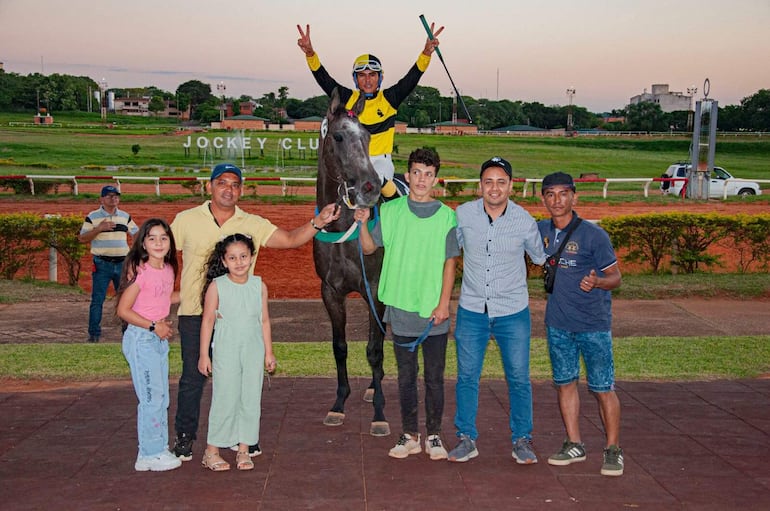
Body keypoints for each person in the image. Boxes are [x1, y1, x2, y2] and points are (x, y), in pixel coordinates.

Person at [170, 162, 339, 462]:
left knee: (243, 378)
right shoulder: (186, 220)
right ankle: (185, 437)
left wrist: (318, 222)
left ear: (241, 190)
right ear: (209, 186)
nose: (229, 189)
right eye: (222, 182)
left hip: (239, 320)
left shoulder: (252, 223)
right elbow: (162, 255)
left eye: (235, 184)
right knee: (193, 378)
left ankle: (243, 438)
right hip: (197, 313)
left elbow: (289, 239)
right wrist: (160, 299)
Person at [354, 148, 458, 460]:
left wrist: (443, 304)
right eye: (416, 173)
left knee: (435, 378)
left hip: (432, 312)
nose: (422, 179)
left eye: (428, 174)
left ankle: (435, 435)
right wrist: (362, 223)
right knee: (406, 376)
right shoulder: (391, 211)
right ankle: (410, 434)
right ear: (408, 176)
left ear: (435, 178)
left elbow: (450, 264)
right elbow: (371, 247)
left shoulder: (447, 216)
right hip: (400, 308)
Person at [448, 157, 547, 465]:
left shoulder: (525, 221)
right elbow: (449, 253)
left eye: (501, 182)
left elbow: (540, 258)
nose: (494, 187)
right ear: (480, 185)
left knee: (518, 377)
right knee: (466, 376)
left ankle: (522, 439)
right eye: (488, 181)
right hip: (472, 310)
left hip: (512, 312)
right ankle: (466, 438)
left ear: (511, 186)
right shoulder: (462, 215)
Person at [537, 171, 624, 477]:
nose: (556, 200)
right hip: (558, 324)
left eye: (563, 194)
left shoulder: (593, 235)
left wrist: (599, 281)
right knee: (565, 383)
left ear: (574, 196)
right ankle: (574, 443)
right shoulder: (541, 230)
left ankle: (613, 449)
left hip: (593, 325)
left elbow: (616, 277)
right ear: (543, 198)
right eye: (550, 194)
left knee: (602, 388)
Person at [297, 22, 443, 200]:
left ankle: (396, 207)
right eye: (362, 75)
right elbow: (324, 79)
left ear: (379, 78)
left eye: (372, 75)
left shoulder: (390, 98)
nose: (367, 80)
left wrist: (426, 53)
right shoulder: (346, 97)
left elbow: (412, 77)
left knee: (375, 179)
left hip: (380, 161)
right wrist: (310, 54)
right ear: (356, 79)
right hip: (353, 161)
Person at [197, 234, 276, 472]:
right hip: (226, 347)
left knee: (251, 399)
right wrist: (204, 355)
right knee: (225, 397)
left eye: (243, 256)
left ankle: (244, 449)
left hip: (253, 348)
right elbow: (208, 320)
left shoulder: (258, 286)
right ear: (224, 260)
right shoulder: (217, 286)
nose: (239, 262)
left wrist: (268, 353)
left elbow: (264, 321)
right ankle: (212, 451)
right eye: (232, 257)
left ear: (251, 257)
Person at [116, 218, 181, 472]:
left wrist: (195, 292)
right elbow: (123, 309)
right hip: (142, 338)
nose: (158, 243)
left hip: (157, 339)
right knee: (152, 398)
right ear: (143, 242)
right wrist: (154, 326)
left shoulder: (167, 269)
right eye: (152, 238)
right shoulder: (139, 271)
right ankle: (149, 453)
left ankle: (158, 447)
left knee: (161, 396)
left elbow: (165, 297)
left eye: (163, 238)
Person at [78, 185, 139, 343]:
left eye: (116, 196)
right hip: (102, 264)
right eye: (110, 196)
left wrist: (135, 252)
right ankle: (94, 334)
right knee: (98, 300)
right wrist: (99, 229)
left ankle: (128, 332)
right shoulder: (93, 217)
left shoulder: (125, 216)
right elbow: (83, 238)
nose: (114, 199)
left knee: (126, 298)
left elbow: (136, 233)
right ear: (102, 199)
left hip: (122, 263)